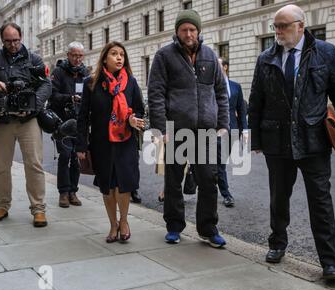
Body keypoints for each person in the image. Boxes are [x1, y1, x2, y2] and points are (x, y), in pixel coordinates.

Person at [248, 4, 335, 280]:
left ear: (300, 25)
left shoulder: (325, 52)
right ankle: (277, 244)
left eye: (283, 26)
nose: (278, 32)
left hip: (313, 141)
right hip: (277, 141)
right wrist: (256, 139)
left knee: (321, 202)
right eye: (275, 26)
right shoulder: (266, 58)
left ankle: (330, 263)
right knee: (278, 199)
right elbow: (256, 100)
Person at [148, 10, 230, 248]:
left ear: (199, 31)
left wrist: (223, 124)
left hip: (205, 131)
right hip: (176, 129)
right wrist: (160, 128)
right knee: (173, 181)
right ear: (177, 32)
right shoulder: (164, 56)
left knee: (208, 180)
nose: (188, 34)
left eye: (192, 29)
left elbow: (221, 93)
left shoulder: (210, 56)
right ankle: (174, 226)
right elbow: (156, 94)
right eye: (184, 29)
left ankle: (208, 229)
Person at [0, 22, 51, 227]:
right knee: (1, 167)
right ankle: (2, 205)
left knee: (34, 165)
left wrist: (34, 103)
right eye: (8, 41)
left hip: (28, 119)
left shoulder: (33, 59)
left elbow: (46, 83)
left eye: (16, 40)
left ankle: (38, 209)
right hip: (1, 120)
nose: (12, 45)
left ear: (21, 37)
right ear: (2, 40)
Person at [76, 42, 145, 243]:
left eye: (122, 54)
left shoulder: (130, 82)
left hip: (125, 141)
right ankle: (113, 224)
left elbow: (139, 110)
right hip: (101, 143)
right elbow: (83, 117)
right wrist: (81, 145)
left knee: (123, 184)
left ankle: (124, 221)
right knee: (107, 186)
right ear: (105, 58)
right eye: (114, 54)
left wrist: (134, 119)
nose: (119, 58)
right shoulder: (92, 83)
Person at [49, 41, 89, 208]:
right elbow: (52, 96)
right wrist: (70, 98)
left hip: (80, 122)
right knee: (65, 156)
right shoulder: (58, 72)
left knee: (76, 157)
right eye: (74, 55)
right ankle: (63, 193)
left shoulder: (85, 73)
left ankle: (73, 191)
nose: (77, 59)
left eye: (80, 56)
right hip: (62, 122)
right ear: (68, 55)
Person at [216, 58, 248, 208]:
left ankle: (198, 181)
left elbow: (241, 110)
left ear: (225, 67)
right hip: (214, 130)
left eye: (218, 64)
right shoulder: (210, 86)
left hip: (233, 131)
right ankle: (226, 194)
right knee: (220, 163)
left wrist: (244, 131)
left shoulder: (236, 87)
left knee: (220, 163)